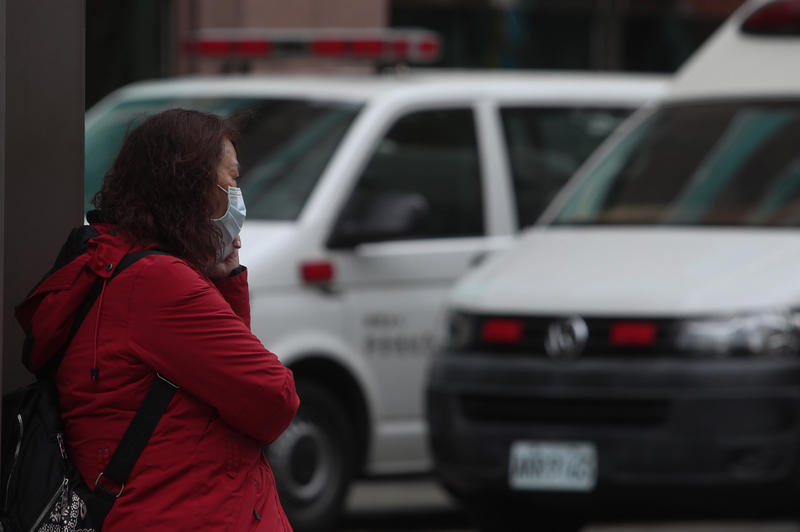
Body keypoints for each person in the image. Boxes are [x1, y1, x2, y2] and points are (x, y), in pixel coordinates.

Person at [15, 108, 300, 531]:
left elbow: (232, 383)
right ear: (191, 187)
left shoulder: (119, 268)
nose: (238, 195)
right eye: (232, 178)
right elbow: (272, 401)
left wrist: (223, 282)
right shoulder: (160, 283)